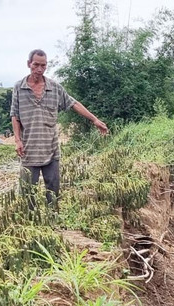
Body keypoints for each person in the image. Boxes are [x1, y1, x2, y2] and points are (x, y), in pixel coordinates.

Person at [10, 48, 108, 206]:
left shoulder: (54, 88)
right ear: (29, 64)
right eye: (36, 65)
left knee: (53, 191)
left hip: (51, 148)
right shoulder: (19, 87)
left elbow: (73, 103)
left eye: (43, 65)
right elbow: (15, 114)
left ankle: (53, 220)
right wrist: (17, 140)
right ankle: (29, 223)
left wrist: (94, 120)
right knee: (27, 193)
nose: (40, 69)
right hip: (29, 149)